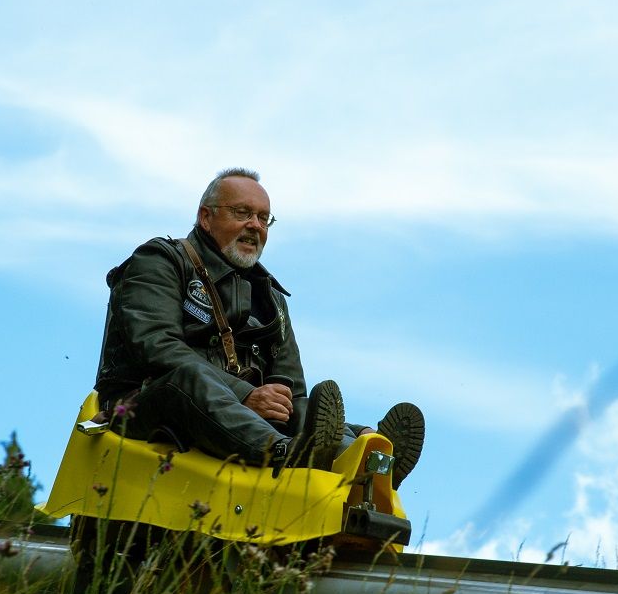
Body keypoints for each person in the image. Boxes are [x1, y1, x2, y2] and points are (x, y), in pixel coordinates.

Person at [93, 167, 424, 487]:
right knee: (190, 380)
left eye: (264, 218)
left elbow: (290, 390)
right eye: (242, 213)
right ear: (206, 217)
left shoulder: (271, 298)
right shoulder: (160, 260)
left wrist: (288, 408)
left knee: (300, 407)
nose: (255, 226)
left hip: (235, 417)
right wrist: (246, 395)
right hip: (143, 406)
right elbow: (157, 347)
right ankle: (287, 453)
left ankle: (366, 461)